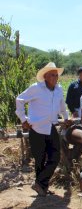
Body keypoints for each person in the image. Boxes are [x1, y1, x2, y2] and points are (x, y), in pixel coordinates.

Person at [15, 62, 69, 197]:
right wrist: (24, 119)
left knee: (55, 157)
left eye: (56, 75)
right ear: (45, 76)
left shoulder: (58, 89)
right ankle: (42, 188)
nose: (55, 77)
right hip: (37, 128)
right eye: (52, 75)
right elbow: (19, 99)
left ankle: (39, 183)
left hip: (51, 126)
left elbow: (62, 105)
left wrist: (66, 117)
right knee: (39, 160)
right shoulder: (36, 88)